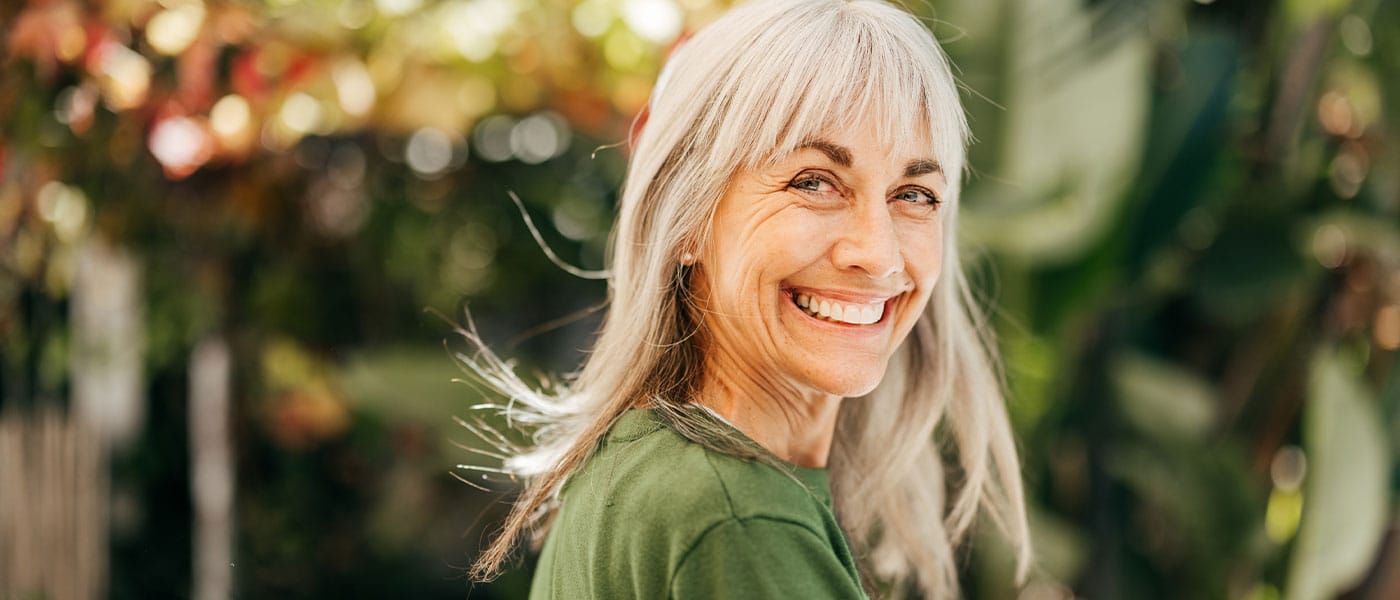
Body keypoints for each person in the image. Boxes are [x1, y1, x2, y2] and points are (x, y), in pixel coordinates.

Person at [463, 0, 1032, 597]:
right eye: (814, 182)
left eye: (914, 195)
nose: (880, 254)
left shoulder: (639, 467)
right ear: (687, 219)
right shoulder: (736, 519)